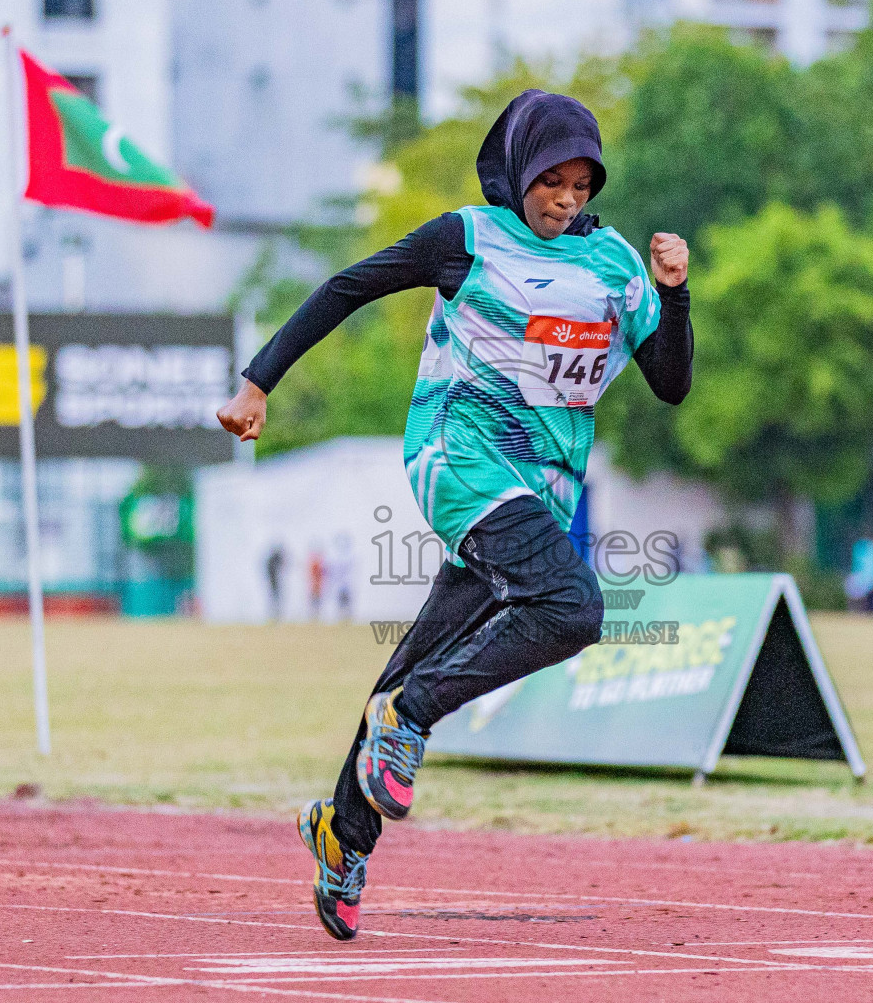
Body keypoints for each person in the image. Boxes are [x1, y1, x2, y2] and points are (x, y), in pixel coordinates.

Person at [216, 90, 692, 941]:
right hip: (458, 456)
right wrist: (258, 381)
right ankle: (413, 716)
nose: (566, 200)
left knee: (412, 663)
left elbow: (670, 382)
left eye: (582, 185)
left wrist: (673, 293)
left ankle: (342, 834)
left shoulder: (616, 265)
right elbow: (346, 288)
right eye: (551, 182)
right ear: (517, 171)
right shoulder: (467, 238)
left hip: (540, 487)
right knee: (574, 607)